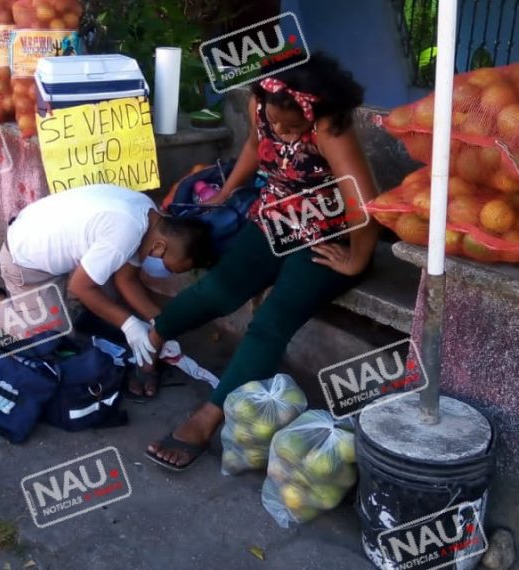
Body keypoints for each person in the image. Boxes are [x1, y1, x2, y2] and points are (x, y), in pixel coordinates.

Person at [143, 54, 381, 471]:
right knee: (217, 290)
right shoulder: (263, 103)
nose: (284, 132)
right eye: (278, 121)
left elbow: (363, 203)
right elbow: (255, 147)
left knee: (271, 322)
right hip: (274, 220)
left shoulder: (329, 128)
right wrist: (225, 193)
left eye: (293, 126)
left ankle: (208, 418)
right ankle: (151, 345)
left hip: (327, 235)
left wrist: (356, 259)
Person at [0, 183, 217, 370]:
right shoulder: (125, 232)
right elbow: (80, 287)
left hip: (49, 246)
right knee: (51, 339)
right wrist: (129, 324)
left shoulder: (147, 215)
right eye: (173, 268)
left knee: (103, 301)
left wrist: (160, 324)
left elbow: (126, 280)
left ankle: (51, 306)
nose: (168, 273)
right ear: (161, 247)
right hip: (25, 263)